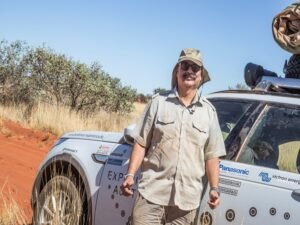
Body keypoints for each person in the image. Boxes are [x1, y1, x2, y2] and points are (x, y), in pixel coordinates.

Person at [121, 48, 226, 225]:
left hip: (186, 203)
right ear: (177, 71)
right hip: (152, 194)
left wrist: (214, 188)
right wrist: (130, 174)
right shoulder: (158, 103)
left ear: (201, 76)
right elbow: (141, 142)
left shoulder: (209, 112)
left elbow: (212, 155)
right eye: (185, 65)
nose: (190, 71)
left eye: (195, 68)